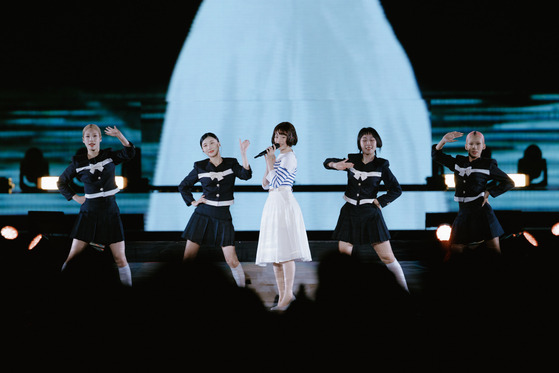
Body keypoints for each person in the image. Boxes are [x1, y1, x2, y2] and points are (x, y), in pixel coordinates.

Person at [324, 127, 408, 292]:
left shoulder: (381, 165)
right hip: (349, 213)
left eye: (371, 140)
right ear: (359, 143)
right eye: (364, 140)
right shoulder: (352, 160)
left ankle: (405, 292)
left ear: (377, 143)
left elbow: (396, 189)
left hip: (371, 214)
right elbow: (326, 162)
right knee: (344, 260)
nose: (368, 143)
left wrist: (381, 201)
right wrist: (335, 164)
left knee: (387, 257)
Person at [58, 124, 135, 286]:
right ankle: (60, 288)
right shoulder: (78, 162)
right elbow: (61, 182)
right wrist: (75, 197)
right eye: (87, 137)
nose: (91, 140)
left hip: (110, 211)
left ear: (100, 138)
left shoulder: (109, 156)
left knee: (120, 258)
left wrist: (120, 136)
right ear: (83, 140)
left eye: (94, 136)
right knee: (72, 256)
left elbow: (129, 153)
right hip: (89, 212)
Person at [178, 133, 252, 287]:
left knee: (231, 260)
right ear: (203, 150)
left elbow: (246, 175)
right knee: (188, 258)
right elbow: (183, 186)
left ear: (219, 144)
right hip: (202, 216)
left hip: (223, 216)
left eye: (212, 143)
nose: (209, 147)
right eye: (205, 145)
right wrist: (193, 202)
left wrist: (244, 154)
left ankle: (242, 288)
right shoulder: (200, 166)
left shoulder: (231, 163)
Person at [256, 122, 312, 310]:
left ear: (290, 137)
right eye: (276, 136)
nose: (277, 140)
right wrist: (268, 162)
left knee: (285, 252)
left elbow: (279, 182)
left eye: (281, 136)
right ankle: (283, 298)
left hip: (284, 202)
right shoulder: (278, 156)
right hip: (273, 202)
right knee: (276, 255)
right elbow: (265, 184)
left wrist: (271, 162)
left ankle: (288, 294)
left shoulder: (289, 157)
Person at [432, 131, 515, 255]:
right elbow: (437, 156)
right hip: (464, 212)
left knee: (494, 251)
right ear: (466, 146)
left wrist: (489, 192)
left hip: (482, 212)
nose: (474, 147)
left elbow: (509, 182)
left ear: (483, 146)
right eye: (471, 144)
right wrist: (443, 140)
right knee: (455, 249)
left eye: (478, 144)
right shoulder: (459, 162)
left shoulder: (488, 165)